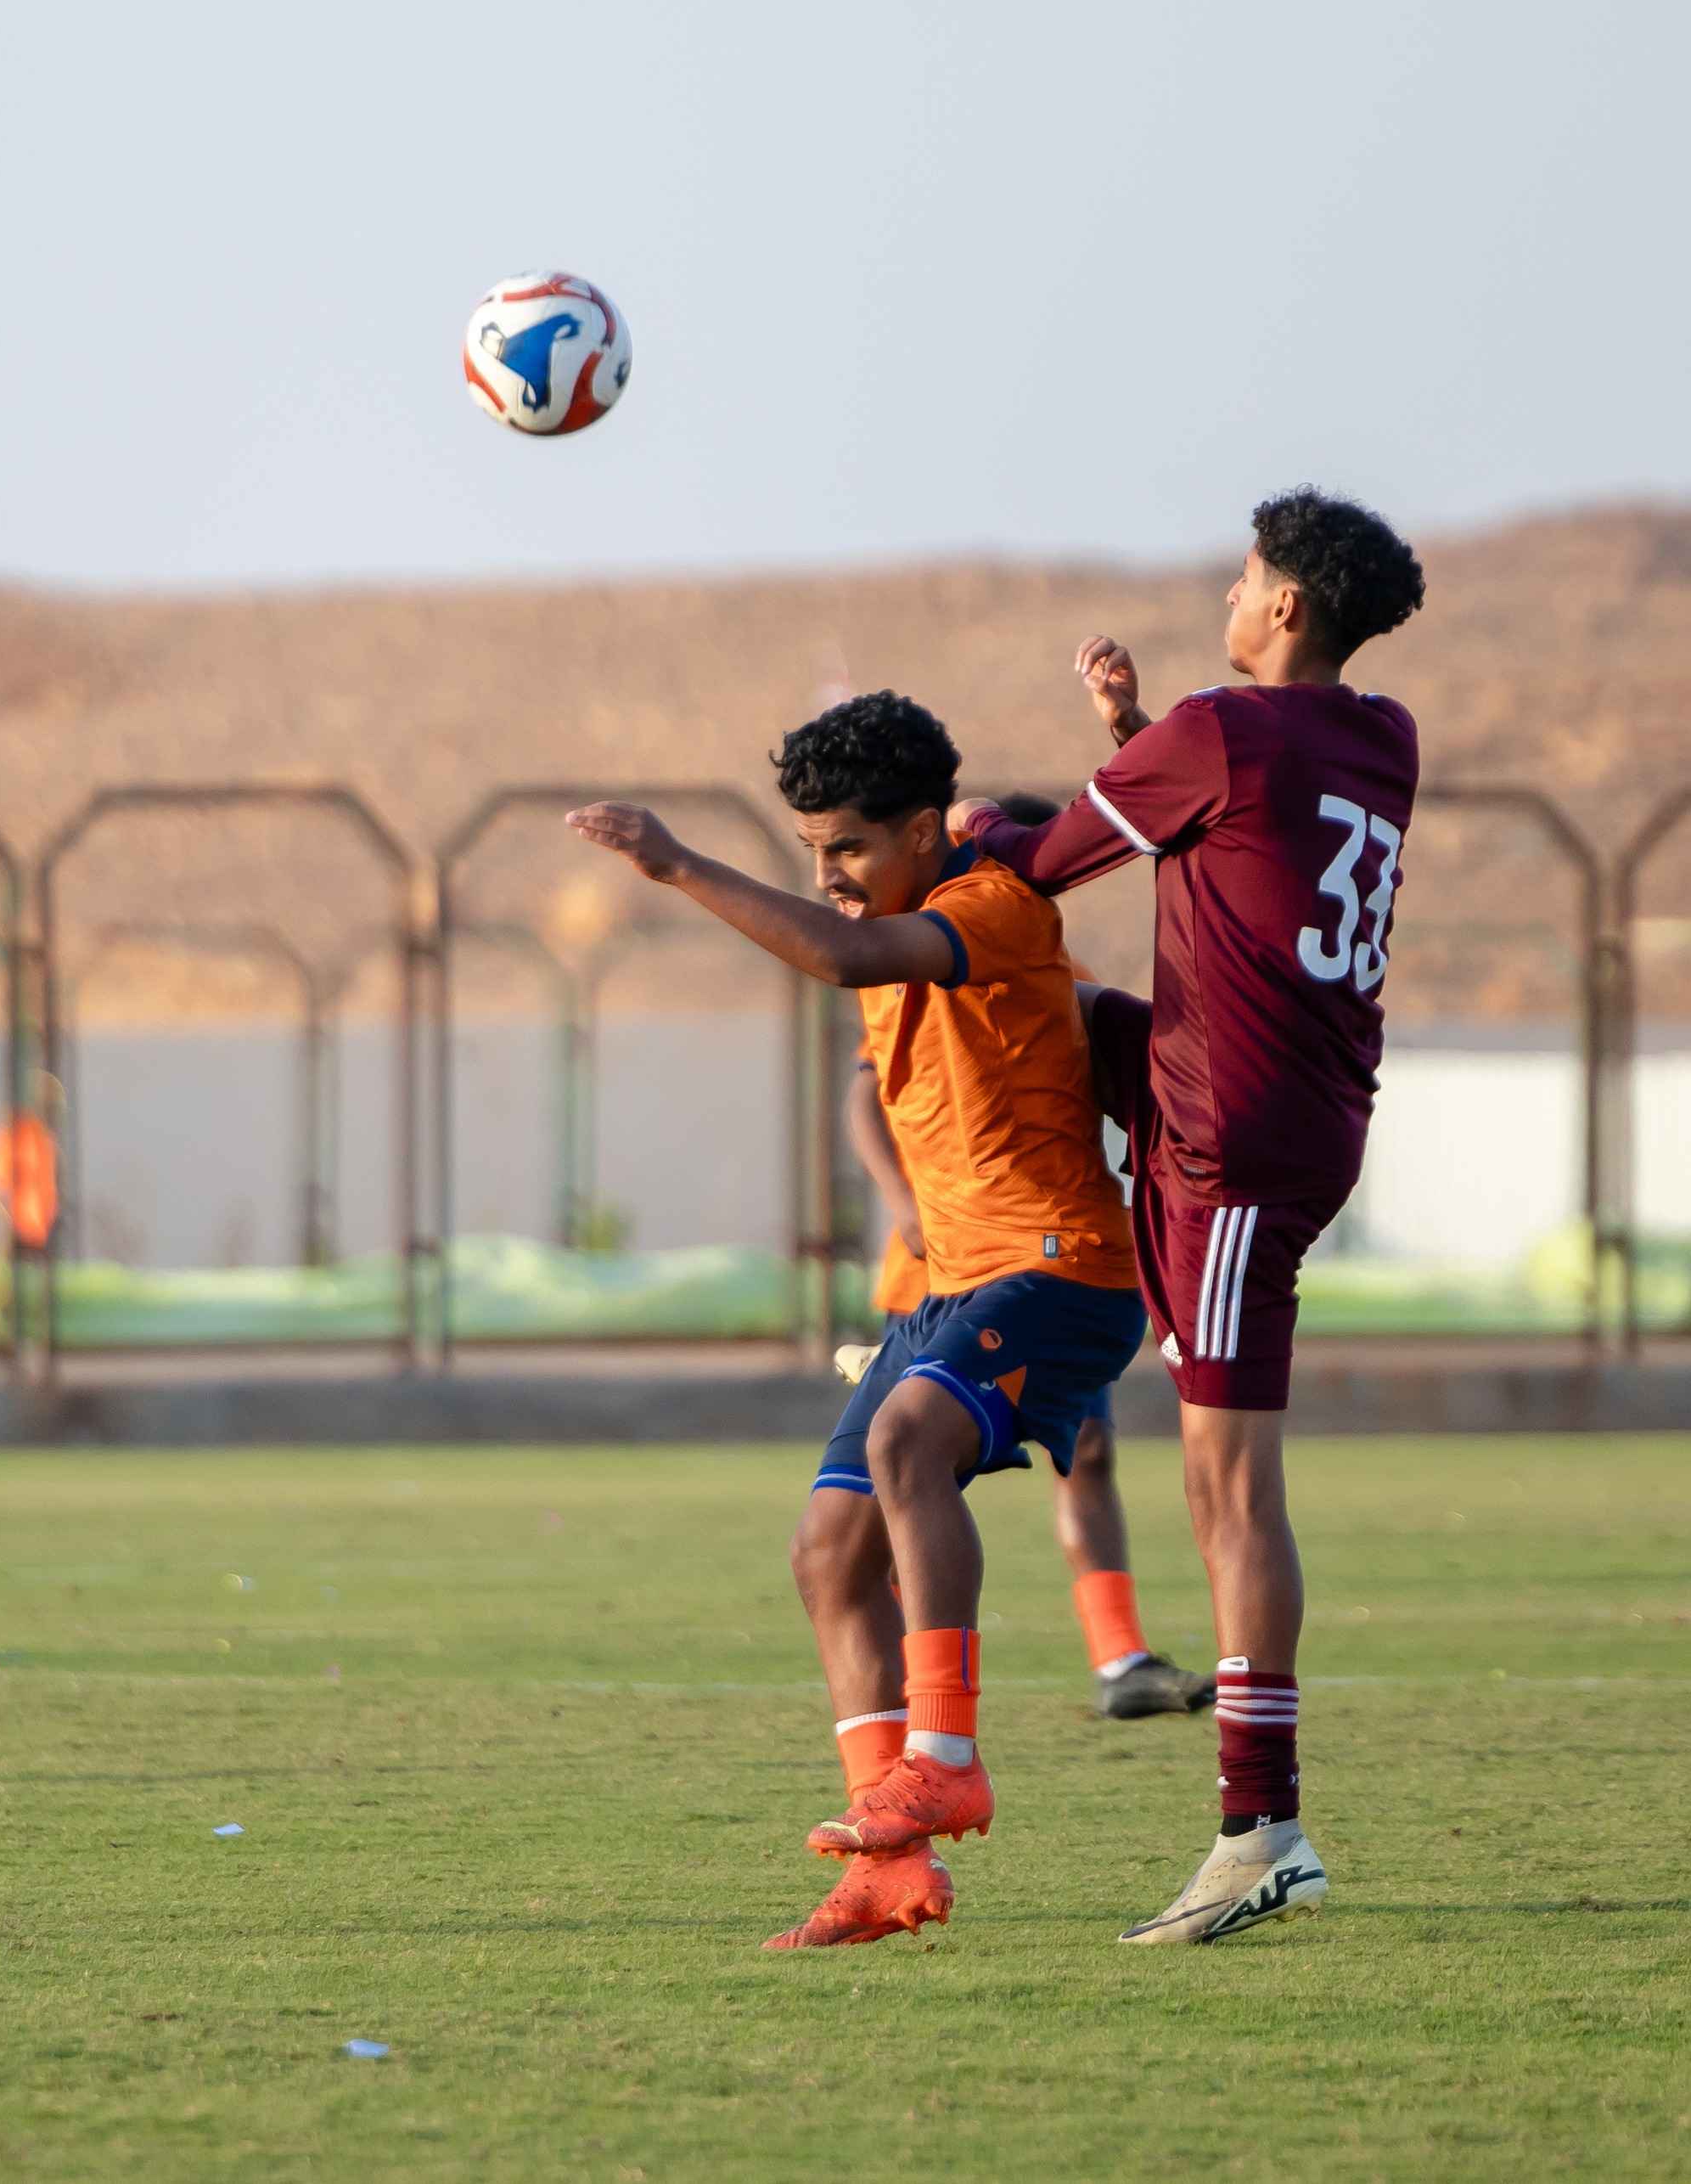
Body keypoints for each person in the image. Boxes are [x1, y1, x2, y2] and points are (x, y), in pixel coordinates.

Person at [567, 695, 1149, 1950]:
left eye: (846, 848)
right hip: (953, 1287)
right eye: (809, 851)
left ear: (928, 831)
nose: (825, 876)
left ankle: (946, 1754)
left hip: (1061, 1270)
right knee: (827, 1555)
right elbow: (873, 1066)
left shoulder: (982, 911)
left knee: (905, 1449)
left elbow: (841, 960)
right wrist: (901, 1202)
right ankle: (888, 1867)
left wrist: (675, 864)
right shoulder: (895, 920)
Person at [952, 488, 1425, 1945]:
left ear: (1282, 605)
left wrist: (948, 820)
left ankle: (1257, 1824)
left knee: (1227, 1491)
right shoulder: (1376, 734)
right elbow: (1224, 844)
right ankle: (1025, 1260)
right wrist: (1128, 738)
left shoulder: (1222, 729)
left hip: (1228, 1142)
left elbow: (1034, 864)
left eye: (1239, 577)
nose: (1226, 593)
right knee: (1049, 1017)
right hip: (1284, 1111)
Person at [840, 792, 1211, 1724]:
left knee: (1082, 1451)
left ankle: (1117, 1659)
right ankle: (904, 1687)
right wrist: (905, 1203)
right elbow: (863, 1098)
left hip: (1043, 1258)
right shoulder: (913, 948)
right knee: (892, 1478)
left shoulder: (1047, 963)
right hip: (940, 1266)